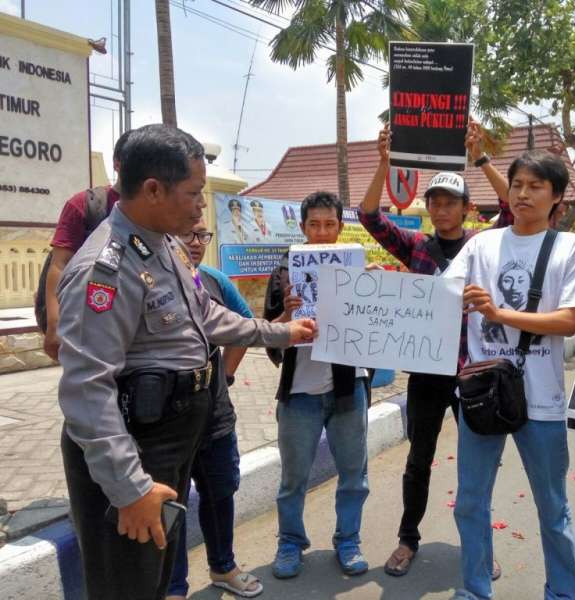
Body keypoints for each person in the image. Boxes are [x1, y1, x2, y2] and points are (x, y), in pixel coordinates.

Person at [57, 124, 316, 600]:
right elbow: (87, 390)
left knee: (153, 577)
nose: (201, 206)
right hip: (136, 447)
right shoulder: (106, 269)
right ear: (154, 189)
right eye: (194, 193)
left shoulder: (165, 246)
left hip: (173, 437)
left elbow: (206, 316)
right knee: (127, 583)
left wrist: (282, 331)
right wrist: (130, 488)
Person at [358, 121, 513, 578]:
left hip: (473, 373)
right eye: (436, 202)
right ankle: (408, 539)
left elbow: (510, 206)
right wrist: (383, 164)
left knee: (476, 464)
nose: (442, 209)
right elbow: (369, 217)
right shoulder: (415, 248)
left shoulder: (484, 245)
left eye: (451, 202)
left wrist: (480, 157)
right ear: (428, 208)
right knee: (418, 460)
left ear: (466, 208)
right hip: (426, 372)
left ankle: (479, 543)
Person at [445, 150, 575, 600]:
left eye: (535, 186)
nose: (523, 193)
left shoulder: (572, 247)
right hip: (482, 395)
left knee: (553, 507)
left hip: (542, 401)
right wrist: (391, 287)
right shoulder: (481, 245)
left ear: (557, 197)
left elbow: (568, 321)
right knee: (470, 502)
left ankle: (563, 593)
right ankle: (475, 590)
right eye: (517, 185)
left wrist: (498, 313)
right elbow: (440, 295)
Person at [264, 191, 371, 580]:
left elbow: (377, 326)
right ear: (302, 227)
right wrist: (286, 315)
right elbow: (267, 336)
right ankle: (290, 543)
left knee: (354, 475)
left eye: (329, 224)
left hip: (348, 389)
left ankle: (348, 540)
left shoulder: (358, 269)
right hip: (299, 395)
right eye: (314, 225)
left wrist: (376, 289)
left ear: (340, 227)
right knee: (293, 478)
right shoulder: (284, 273)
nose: (322, 232)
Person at [166, 219, 261, 599]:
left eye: (202, 235)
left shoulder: (214, 281)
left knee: (220, 492)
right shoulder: (149, 279)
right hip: (166, 422)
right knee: (170, 502)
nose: (195, 242)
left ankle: (223, 567)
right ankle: (173, 586)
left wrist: (227, 375)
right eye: (186, 233)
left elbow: (246, 326)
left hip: (215, 416)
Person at [43, 130, 132, 359]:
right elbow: (59, 264)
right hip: (88, 320)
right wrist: (54, 324)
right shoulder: (83, 205)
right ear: (117, 164)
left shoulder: (158, 210)